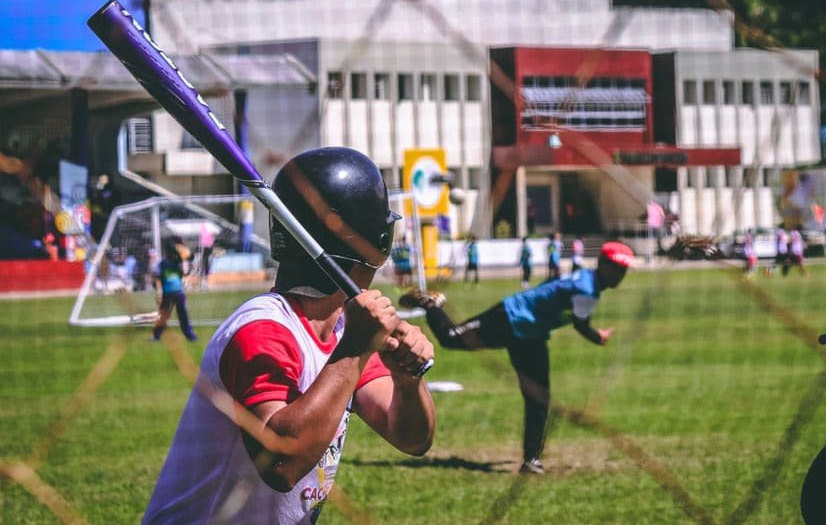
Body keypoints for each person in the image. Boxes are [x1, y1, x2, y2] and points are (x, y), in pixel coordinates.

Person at [143, 148, 435, 524]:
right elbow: (281, 463)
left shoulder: (345, 331)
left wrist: (408, 380)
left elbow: (411, 439)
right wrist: (353, 351)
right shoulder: (262, 332)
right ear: (375, 242)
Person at [400, 241, 633, 475]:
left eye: (622, 270)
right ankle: (432, 304)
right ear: (601, 264)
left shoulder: (584, 278)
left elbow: (555, 289)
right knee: (450, 337)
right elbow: (581, 325)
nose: (619, 275)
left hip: (531, 334)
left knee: (539, 398)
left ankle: (532, 459)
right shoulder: (587, 290)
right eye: (614, 268)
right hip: (510, 317)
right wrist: (598, 337)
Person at [151, 236, 197, 342]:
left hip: (178, 293)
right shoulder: (162, 264)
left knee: (183, 315)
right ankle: (156, 335)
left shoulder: (179, 262)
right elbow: (158, 279)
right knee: (163, 315)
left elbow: (190, 257)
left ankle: (189, 335)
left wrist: (180, 248)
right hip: (167, 293)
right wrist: (159, 293)